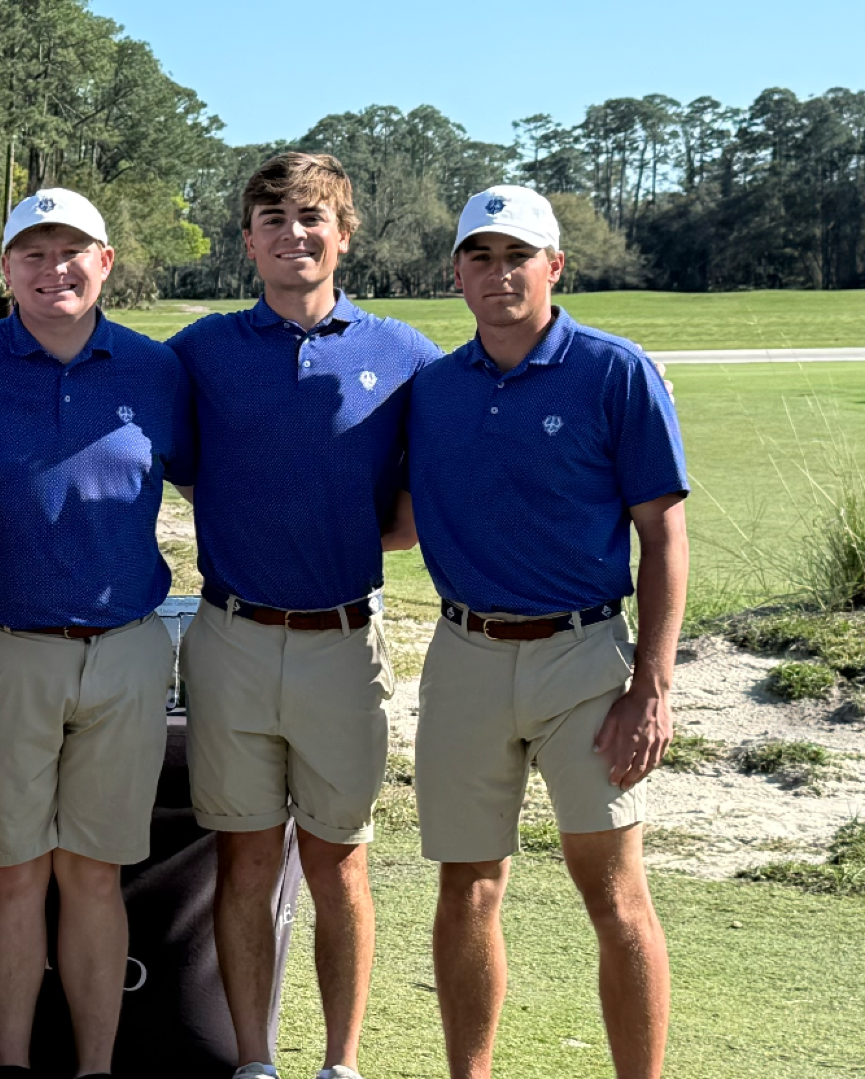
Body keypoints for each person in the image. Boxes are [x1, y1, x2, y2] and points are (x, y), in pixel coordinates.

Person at [168, 152, 442, 1079]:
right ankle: (256, 1062)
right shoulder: (201, 350)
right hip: (231, 638)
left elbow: (442, 483)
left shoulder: (403, 354)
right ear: (248, 241)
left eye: (312, 217)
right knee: (245, 864)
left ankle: (340, 1063)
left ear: (344, 233)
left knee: (341, 865)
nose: (295, 235)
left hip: (344, 642)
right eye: (274, 220)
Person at [404, 185, 687, 1079]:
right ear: (457, 276)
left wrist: (652, 687)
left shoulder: (615, 370)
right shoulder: (434, 389)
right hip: (463, 656)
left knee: (614, 892)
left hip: (584, 659)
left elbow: (664, 535)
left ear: (554, 266)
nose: (499, 274)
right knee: (466, 887)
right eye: (480, 258)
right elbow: (390, 515)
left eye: (517, 256)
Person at [0, 189, 189, 1078]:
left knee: (92, 875)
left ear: (107, 262)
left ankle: (94, 1067)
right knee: (12, 875)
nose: (55, 270)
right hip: (5, 648)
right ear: (5, 270)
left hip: (126, 649)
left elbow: (223, 481)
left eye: (72, 250)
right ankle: (10, 1064)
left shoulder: (157, 370)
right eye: (33, 255)